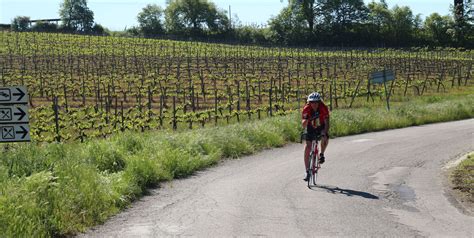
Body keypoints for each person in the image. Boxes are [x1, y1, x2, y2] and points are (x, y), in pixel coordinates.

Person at [301, 92, 330, 181]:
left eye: (316, 102)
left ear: (319, 102)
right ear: (309, 102)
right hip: (311, 127)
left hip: (321, 126)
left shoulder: (323, 108)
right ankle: (307, 171)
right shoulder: (306, 109)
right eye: (312, 102)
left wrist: (324, 132)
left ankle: (321, 154)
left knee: (325, 137)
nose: (314, 104)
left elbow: (327, 123)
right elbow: (303, 125)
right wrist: (306, 120)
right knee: (307, 147)